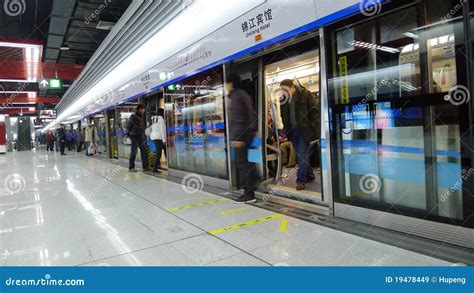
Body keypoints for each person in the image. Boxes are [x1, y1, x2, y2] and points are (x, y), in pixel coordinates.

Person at [279, 79, 320, 191]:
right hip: (292, 131)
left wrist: (313, 127)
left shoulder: (306, 94)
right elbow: (283, 116)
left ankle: (300, 181)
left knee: (301, 155)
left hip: (304, 130)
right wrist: (284, 131)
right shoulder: (283, 99)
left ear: (293, 87)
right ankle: (310, 175)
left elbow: (315, 112)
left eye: (286, 90)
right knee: (301, 155)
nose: (284, 93)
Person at [228, 73, 258, 203]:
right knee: (245, 163)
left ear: (231, 83)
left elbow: (238, 118)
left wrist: (237, 137)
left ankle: (249, 194)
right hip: (247, 134)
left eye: (226, 84)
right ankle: (251, 188)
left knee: (242, 164)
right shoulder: (243, 94)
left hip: (242, 136)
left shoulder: (236, 96)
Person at [127, 103, 152, 172]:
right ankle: (131, 167)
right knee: (134, 151)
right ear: (141, 109)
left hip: (140, 136)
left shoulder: (141, 116)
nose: (144, 110)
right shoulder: (133, 116)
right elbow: (129, 126)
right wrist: (129, 134)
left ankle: (145, 167)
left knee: (144, 150)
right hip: (134, 136)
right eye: (144, 109)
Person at [148, 109, 167, 174]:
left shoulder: (153, 119)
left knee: (159, 152)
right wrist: (164, 140)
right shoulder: (160, 119)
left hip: (153, 137)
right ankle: (155, 169)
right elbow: (162, 130)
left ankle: (156, 166)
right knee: (158, 154)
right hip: (158, 137)